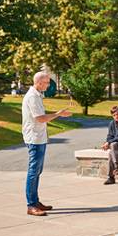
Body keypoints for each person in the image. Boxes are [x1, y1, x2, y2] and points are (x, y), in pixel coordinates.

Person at [22, 72, 71, 216]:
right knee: (33, 172)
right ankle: (31, 205)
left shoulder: (37, 95)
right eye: (46, 82)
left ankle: (35, 202)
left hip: (39, 138)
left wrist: (58, 114)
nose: (48, 85)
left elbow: (41, 117)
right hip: (34, 139)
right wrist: (59, 114)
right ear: (38, 82)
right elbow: (41, 119)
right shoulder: (32, 97)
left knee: (37, 172)